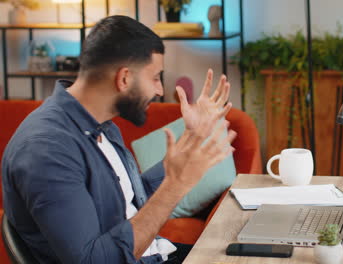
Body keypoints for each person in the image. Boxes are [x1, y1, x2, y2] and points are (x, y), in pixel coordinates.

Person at [1, 15, 236, 264]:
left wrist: (193, 137)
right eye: (155, 78)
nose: (159, 90)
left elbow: (131, 200)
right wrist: (176, 187)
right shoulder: (47, 150)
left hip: (156, 253)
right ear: (124, 78)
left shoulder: (100, 123)